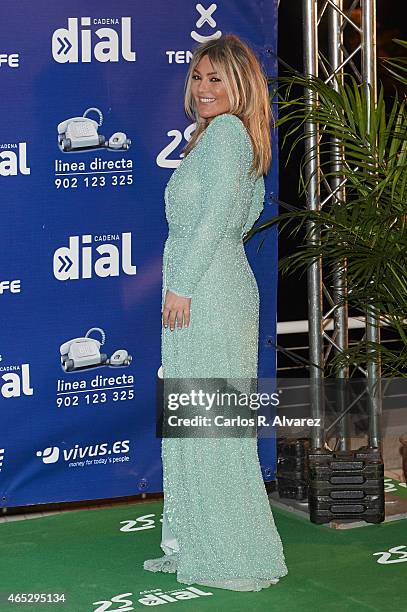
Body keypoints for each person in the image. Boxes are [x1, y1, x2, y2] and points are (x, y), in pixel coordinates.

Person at [143, 34, 288, 592]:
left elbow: (213, 223)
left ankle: (230, 552)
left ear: (240, 84)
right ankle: (195, 542)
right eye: (198, 77)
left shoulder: (227, 136)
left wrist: (179, 286)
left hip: (206, 293)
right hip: (206, 288)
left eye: (216, 79)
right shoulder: (220, 137)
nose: (203, 89)